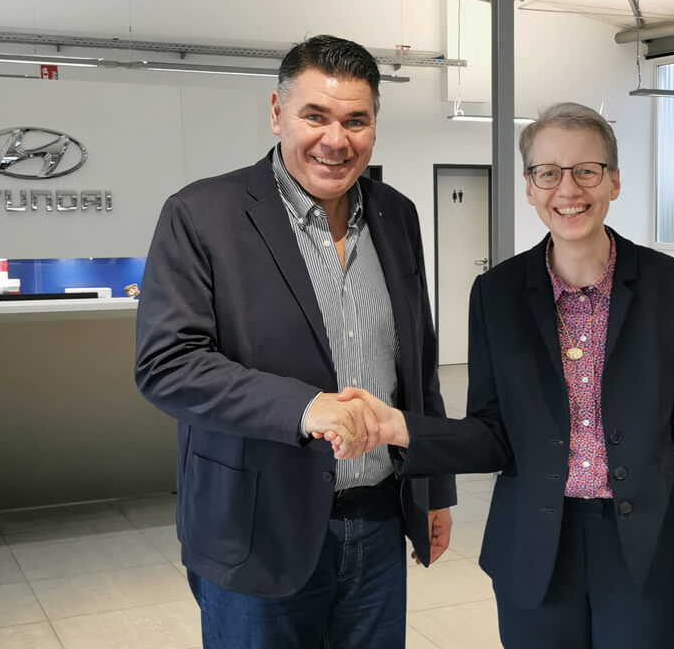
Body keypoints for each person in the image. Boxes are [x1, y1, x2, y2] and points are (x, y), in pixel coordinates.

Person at [335, 103, 674, 648]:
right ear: (529, 186)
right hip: (536, 545)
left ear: (613, 181)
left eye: (586, 171)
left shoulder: (670, 284)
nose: (567, 189)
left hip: (650, 545)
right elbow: (492, 433)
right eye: (548, 173)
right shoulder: (496, 294)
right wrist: (400, 428)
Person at [133, 35, 456, 649]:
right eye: (315, 116)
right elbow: (167, 364)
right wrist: (305, 407)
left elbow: (417, 366)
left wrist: (434, 489)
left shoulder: (397, 214)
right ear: (277, 112)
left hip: (378, 518)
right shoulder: (203, 214)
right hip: (257, 523)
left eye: (355, 120)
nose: (336, 140)